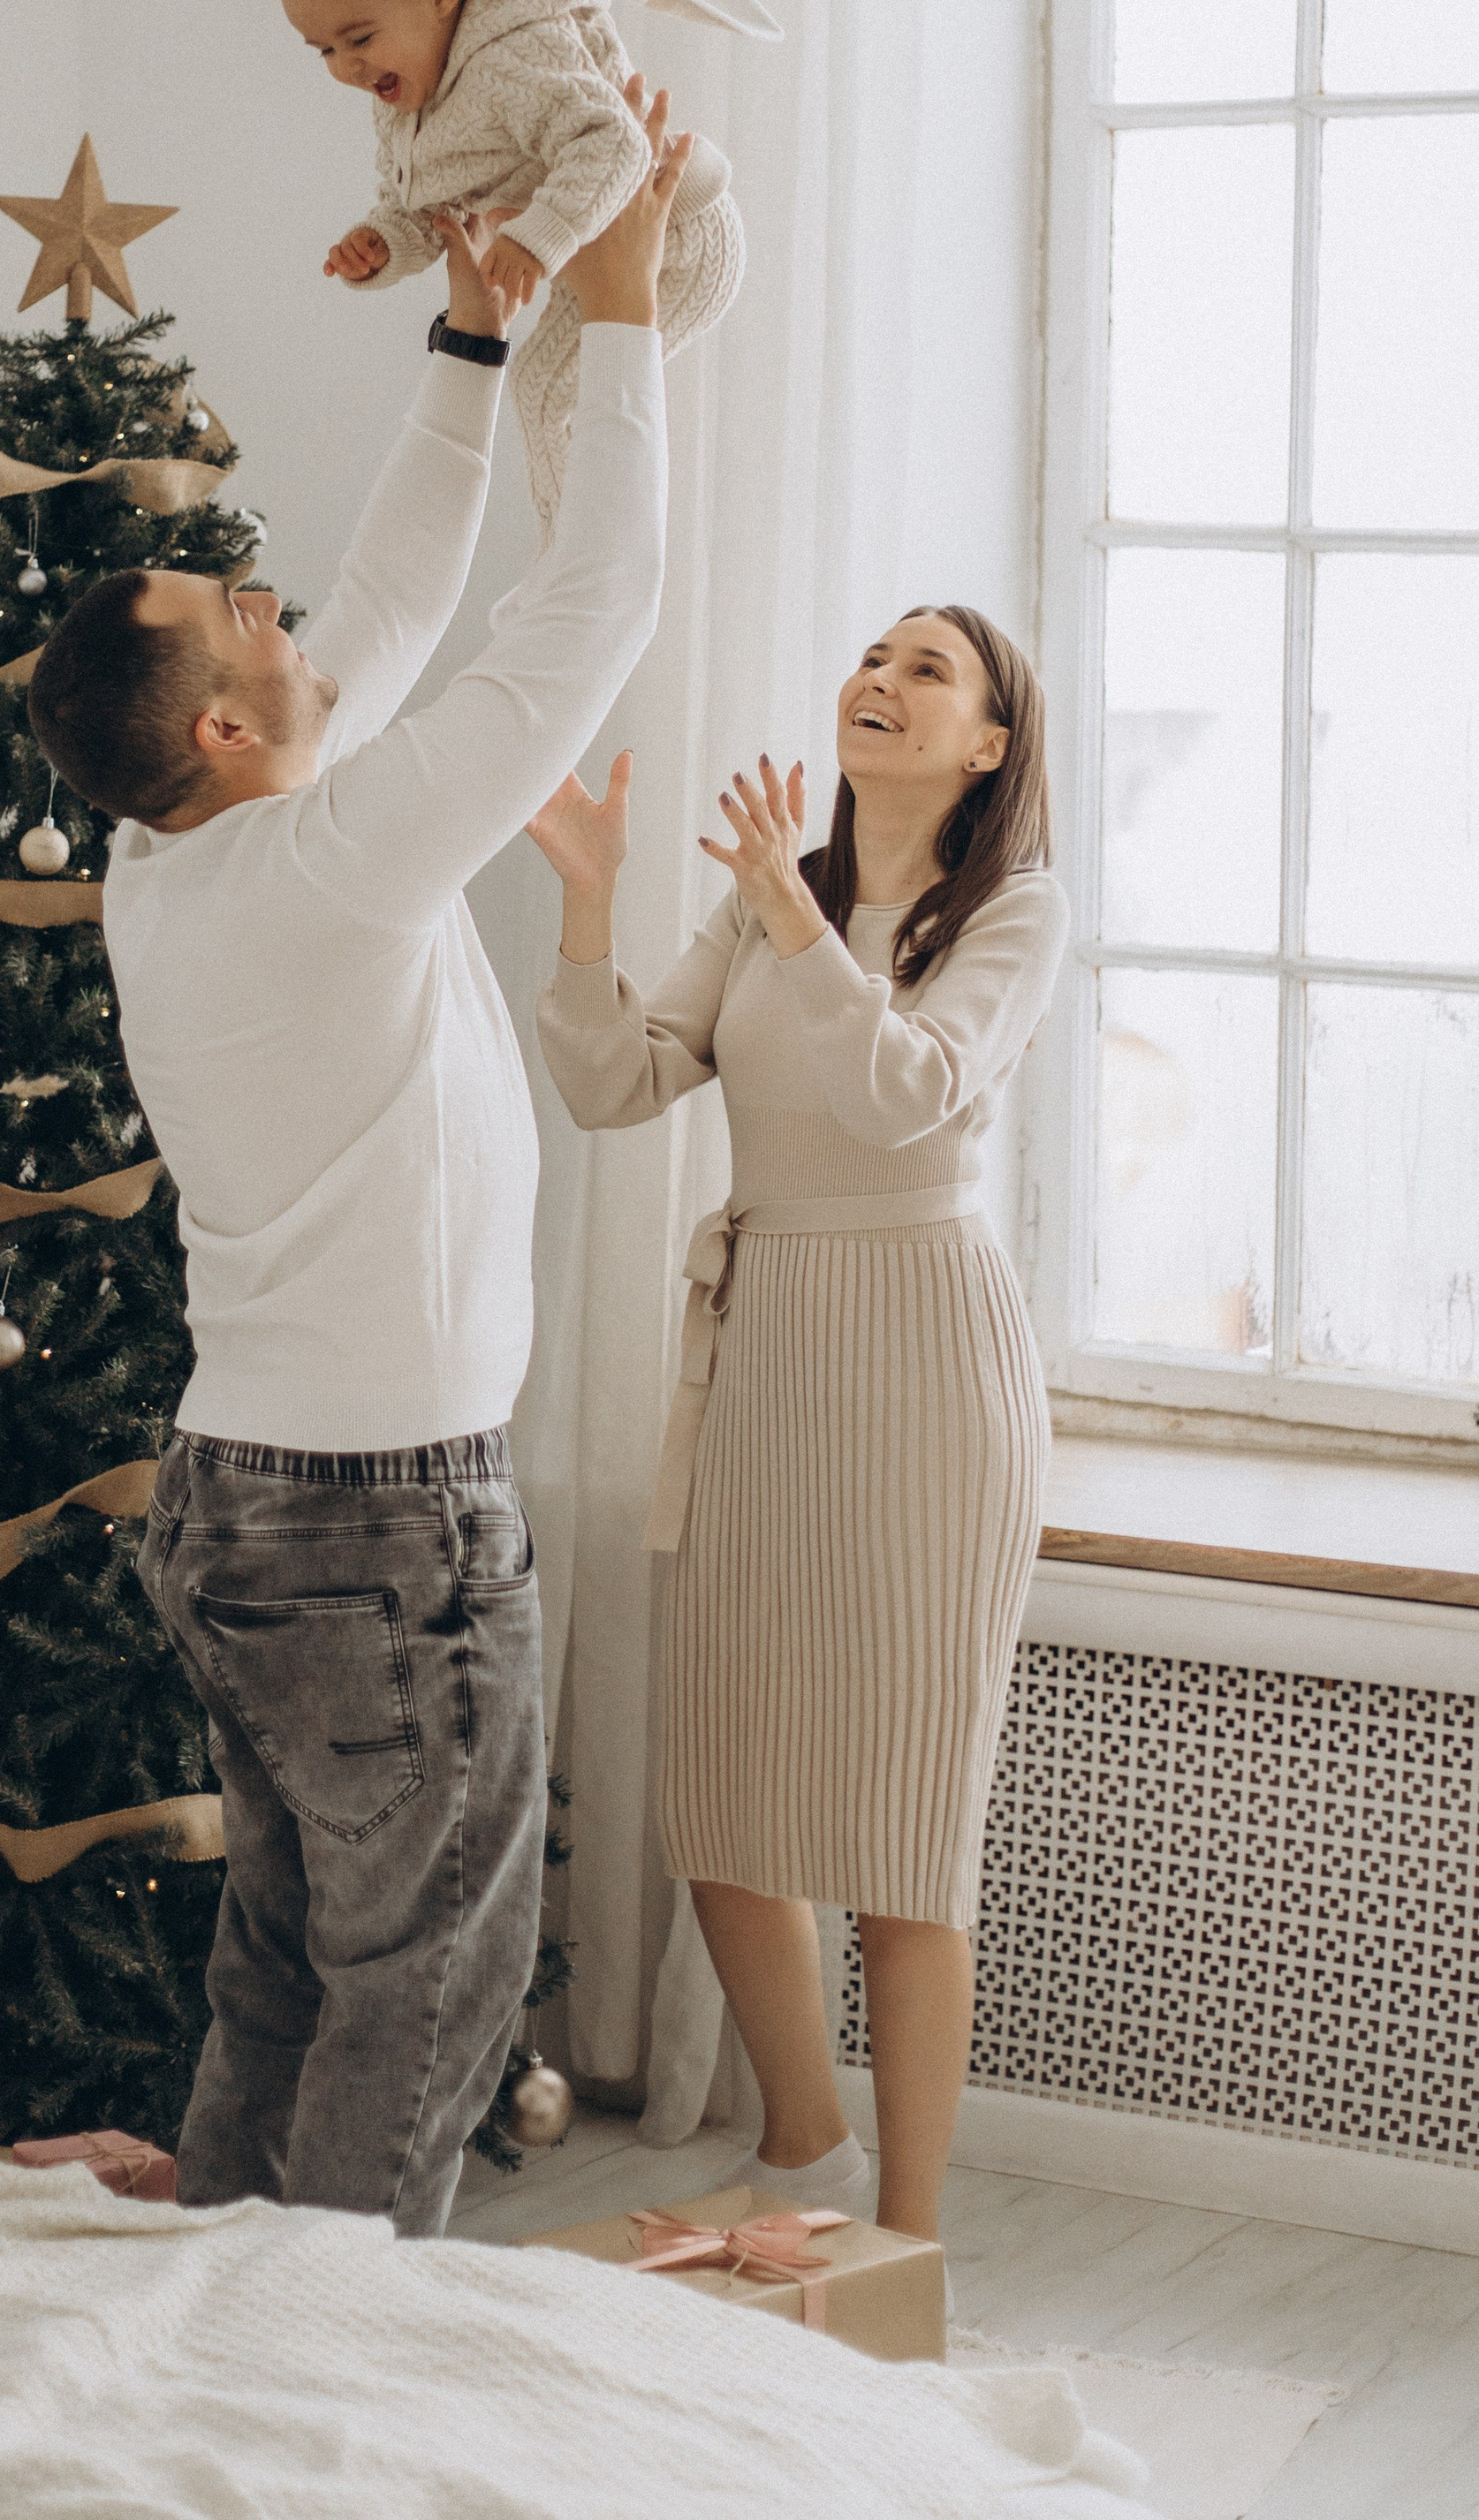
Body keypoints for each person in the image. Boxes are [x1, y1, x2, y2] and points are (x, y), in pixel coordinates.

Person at [27, 92, 687, 2236]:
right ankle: (326, 2395)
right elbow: (593, 604)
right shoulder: (325, 863)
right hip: (377, 1526)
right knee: (425, 1993)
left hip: (241, 1501)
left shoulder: (177, 857)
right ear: (225, 726)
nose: (260, 593)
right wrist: (623, 308)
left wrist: (473, 340)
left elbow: (394, 599)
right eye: (230, 613)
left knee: (291, 1968)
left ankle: (222, 2348)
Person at [529, 609, 1067, 2259]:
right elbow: (621, 1084)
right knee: (730, 1812)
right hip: (766, 1362)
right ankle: (804, 2154)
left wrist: (791, 917)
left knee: (903, 1836)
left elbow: (908, 1090)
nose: (881, 682)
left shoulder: (1016, 912)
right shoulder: (777, 893)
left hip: (928, 1364)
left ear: (989, 744)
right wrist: (589, 903)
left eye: (928, 670)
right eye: (873, 655)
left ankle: (905, 2249)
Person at [275, 0, 774, 536]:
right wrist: (384, 241)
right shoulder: (406, 88)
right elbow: (429, 207)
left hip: (678, 240)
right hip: (588, 249)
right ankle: (569, 563)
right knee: (545, 395)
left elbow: (615, 142)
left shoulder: (515, 51)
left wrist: (536, 235)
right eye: (323, 50)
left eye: (359, 38)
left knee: (547, 394)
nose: (346, 69)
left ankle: (575, 570)